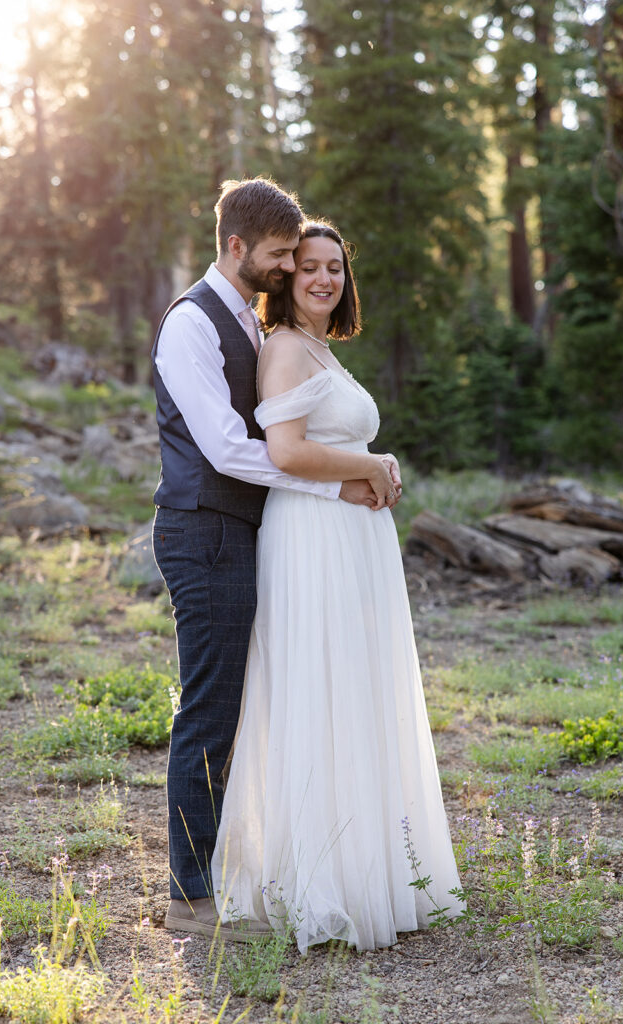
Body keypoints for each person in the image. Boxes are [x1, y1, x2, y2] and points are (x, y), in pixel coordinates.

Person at [151, 179, 400, 941]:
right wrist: (337, 488)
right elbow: (227, 449)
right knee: (211, 708)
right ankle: (188, 897)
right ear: (237, 246)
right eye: (282, 254)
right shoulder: (189, 325)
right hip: (204, 532)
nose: (292, 267)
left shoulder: (251, 326)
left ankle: (261, 861)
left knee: (250, 700)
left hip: (247, 530)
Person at [210, 220, 464, 952]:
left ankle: (375, 866)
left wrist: (374, 466)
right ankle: (323, 879)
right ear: (285, 279)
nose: (323, 278)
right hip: (314, 537)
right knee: (322, 687)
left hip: (353, 537)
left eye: (334, 267)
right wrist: (367, 467)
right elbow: (283, 451)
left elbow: (334, 442)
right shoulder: (286, 348)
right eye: (308, 267)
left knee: (357, 689)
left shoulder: (321, 349)